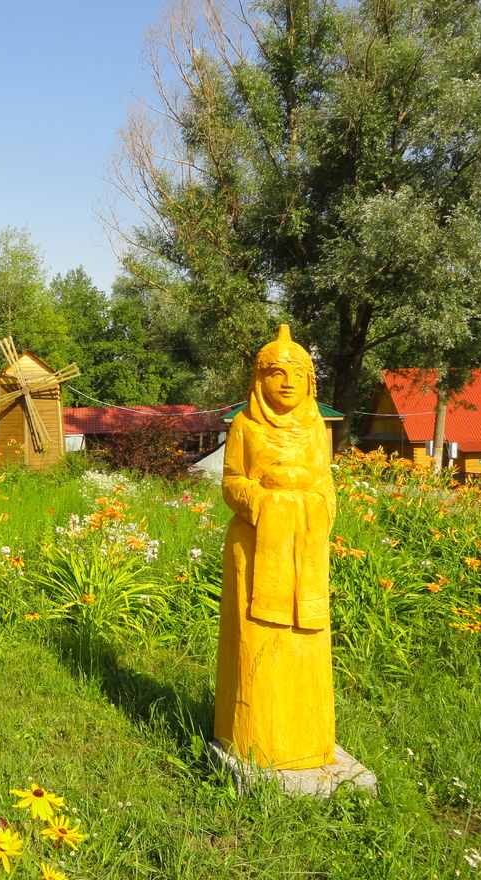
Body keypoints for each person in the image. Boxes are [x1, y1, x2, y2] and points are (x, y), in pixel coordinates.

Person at [214, 324, 336, 770]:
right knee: (256, 650)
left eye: (297, 375)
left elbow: (326, 485)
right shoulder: (245, 425)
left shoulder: (316, 427)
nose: (287, 383)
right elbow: (232, 484)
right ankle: (250, 739)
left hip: (306, 553)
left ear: (310, 382)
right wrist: (266, 500)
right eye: (276, 373)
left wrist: (306, 496)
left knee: (306, 645)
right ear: (258, 380)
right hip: (256, 549)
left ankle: (308, 743)